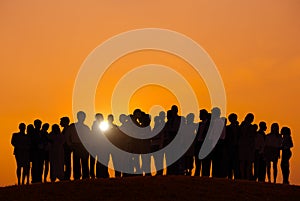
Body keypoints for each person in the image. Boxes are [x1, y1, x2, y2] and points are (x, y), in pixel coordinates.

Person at [66, 111, 90, 180]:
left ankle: (85, 176)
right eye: (80, 116)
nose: (82, 118)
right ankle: (77, 176)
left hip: (84, 145)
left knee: (84, 162)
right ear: (78, 117)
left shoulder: (86, 128)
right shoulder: (72, 127)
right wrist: (70, 145)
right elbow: (67, 136)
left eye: (83, 117)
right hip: (76, 145)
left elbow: (89, 137)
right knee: (76, 162)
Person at [238, 113, 256, 180]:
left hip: (248, 146)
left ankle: (246, 176)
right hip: (244, 146)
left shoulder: (250, 127)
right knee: (244, 162)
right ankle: (244, 176)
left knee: (248, 163)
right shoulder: (243, 126)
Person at [226, 113, 240, 180]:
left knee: (236, 163)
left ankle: (236, 177)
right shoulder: (227, 128)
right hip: (229, 147)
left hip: (236, 147)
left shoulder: (239, 128)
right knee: (229, 163)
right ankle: (229, 176)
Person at [151, 112, 165, 176]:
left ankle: (160, 172)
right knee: (156, 160)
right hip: (154, 144)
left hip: (158, 144)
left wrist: (161, 145)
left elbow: (162, 137)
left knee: (159, 159)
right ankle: (158, 171)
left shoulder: (160, 127)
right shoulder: (154, 127)